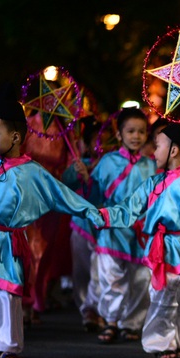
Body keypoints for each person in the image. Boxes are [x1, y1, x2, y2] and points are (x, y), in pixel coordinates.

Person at [0, 93, 105, 358]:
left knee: (9, 292)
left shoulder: (32, 171)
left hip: (7, 240)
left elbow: (62, 195)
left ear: (15, 137)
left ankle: (10, 345)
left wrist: (92, 212)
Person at [99, 123, 180, 358]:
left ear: (174, 151)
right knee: (162, 296)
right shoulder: (153, 183)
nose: (154, 152)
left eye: (158, 146)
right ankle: (162, 342)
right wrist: (101, 215)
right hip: (162, 246)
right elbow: (129, 209)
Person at [89, 108, 155, 344]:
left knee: (140, 280)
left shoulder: (151, 165)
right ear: (120, 134)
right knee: (111, 278)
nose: (136, 136)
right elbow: (94, 192)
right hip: (112, 230)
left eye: (141, 131)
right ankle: (110, 321)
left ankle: (131, 323)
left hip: (140, 231)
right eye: (130, 131)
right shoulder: (107, 161)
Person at [61, 116, 104, 332]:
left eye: (105, 140)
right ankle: (86, 309)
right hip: (81, 225)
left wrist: (91, 178)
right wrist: (76, 172)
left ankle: (97, 309)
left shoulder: (109, 165)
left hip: (104, 227)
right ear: (86, 144)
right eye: (96, 140)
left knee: (100, 271)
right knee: (81, 271)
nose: (100, 145)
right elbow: (63, 184)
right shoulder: (79, 164)